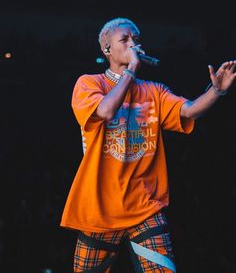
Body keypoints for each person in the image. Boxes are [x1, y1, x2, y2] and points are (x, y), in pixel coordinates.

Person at [60, 17, 235, 272]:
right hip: (99, 208)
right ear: (106, 49)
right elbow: (106, 111)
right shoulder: (89, 84)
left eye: (137, 40)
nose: (134, 44)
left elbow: (189, 111)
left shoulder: (154, 90)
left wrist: (216, 91)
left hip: (144, 206)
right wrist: (130, 70)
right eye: (125, 39)